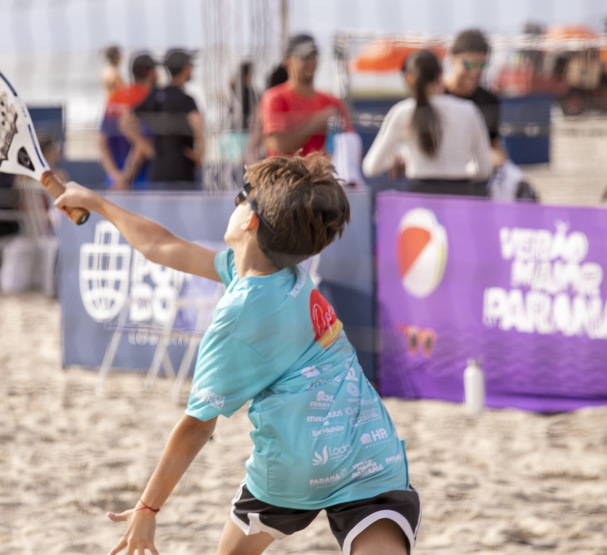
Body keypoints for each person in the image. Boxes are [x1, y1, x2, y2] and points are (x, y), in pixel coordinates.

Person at [53, 153, 420, 555]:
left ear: (250, 222)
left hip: (295, 466)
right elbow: (160, 245)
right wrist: (96, 202)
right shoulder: (285, 270)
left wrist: (147, 508)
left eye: (241, 196)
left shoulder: (239, 313)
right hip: (368, 450)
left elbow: (197, 427)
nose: (237, 202)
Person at [363, 50, 492, 196]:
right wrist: (459, 168)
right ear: (440, 75)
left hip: (419, 198)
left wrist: (398, 161)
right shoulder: (468, 110)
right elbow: (484, 170)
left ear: (408, 78)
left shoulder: (402, 112)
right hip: (460, 196)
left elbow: (371, 167)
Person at [122, 48, 204, 190]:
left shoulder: (155, 95)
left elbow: (125, 121)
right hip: (182, 171)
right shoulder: (186, 100)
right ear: (185, 69)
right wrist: (199, 153)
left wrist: (145, 145)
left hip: (157, 170)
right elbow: (197, 123)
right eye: (190, 66)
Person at [260, 34, 353, 158]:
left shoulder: (333, 102)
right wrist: (317, 122)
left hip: (321, 171)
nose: (311, 62)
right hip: (285, 171)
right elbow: (279, 145)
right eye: (304, 57)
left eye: (314, 56)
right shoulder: (274, 98)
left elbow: (351, 145)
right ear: (287, 62)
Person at [443, 29, 506, 196]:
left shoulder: (489, 101)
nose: (475, 71)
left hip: (476, 181)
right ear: (453, 59)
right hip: (439, 178)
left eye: (481, 65)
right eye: (469, 64)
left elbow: (493, 146)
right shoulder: (435, 97)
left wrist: (499, 160)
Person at [98, 51, 157, 190]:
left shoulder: (115, 97)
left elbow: (101, 143)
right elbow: (142, 144)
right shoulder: (149, 99)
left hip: (114, 182)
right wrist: (126, 177)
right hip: (141, 182)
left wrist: (114, 176)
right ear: (151, 73)